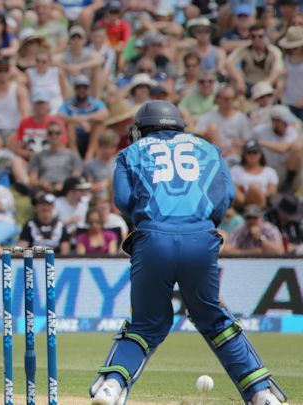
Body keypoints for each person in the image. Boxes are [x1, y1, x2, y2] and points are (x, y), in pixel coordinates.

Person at [90, 100, 287, 405]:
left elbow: (123, 200)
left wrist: (152, 218)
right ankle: (262, 394)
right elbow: (226, 198)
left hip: (153, 239)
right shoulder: (209, 149)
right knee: (214, 318)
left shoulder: (129, 153)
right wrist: (197, 224)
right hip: (200, 239)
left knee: (146, 323)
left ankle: (112, 386)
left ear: (143, 128)